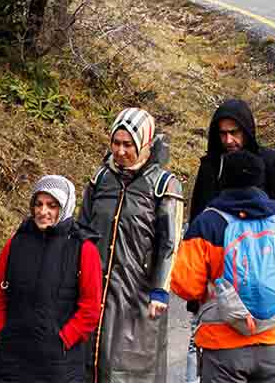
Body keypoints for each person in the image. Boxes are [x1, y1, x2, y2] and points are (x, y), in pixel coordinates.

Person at [171, 150, 275, 383]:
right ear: (260, 181)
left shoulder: (207, 224)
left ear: (223, 181)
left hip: (221, 349)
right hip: (272, 345)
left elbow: (184, 284)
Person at [186, 99, 275, 383]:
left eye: (235, 132)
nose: (229, 140)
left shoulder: (269, 162)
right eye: (222, 134)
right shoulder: (211, 166)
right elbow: (197, 218)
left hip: (262, 281)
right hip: (219, 285)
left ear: (248, 131)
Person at [80, 108, 184, 383]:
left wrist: (160, 290)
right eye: (116, 143)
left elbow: (170, 243)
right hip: (94, 290)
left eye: (128, 144)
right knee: (88, 365)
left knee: (130, 372)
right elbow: (81, 231)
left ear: (145, 144)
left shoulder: (164, 185)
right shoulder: (101, 179)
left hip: (138, 296)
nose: (121, 151)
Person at [0, 175, 103, 383]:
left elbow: (90, 308)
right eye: (38, 204)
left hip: (59, 364)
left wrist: (64, 340)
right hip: (12, 359)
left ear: (65, 207)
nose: (43, 211)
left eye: (52, 205)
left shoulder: (83, 249)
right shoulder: (16, 242)